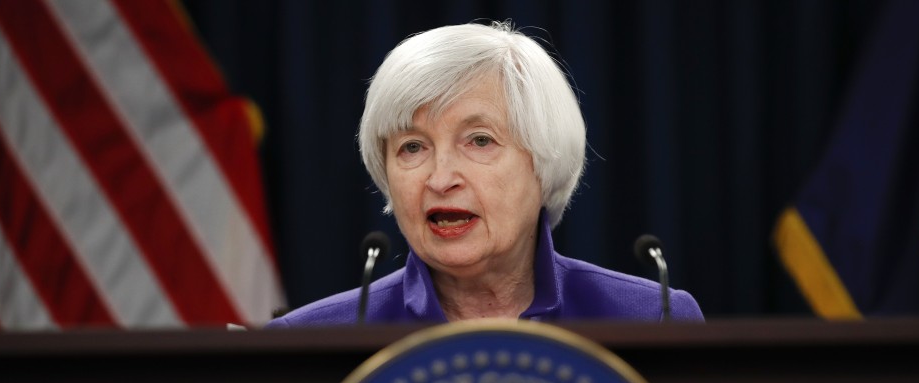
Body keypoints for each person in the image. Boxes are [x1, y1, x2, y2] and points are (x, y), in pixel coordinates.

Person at [267, 22, 702, 326]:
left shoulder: (654, 318)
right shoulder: (316, 341)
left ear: (543, 161)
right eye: (413, 147)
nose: (441, 179)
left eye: (479, 141)